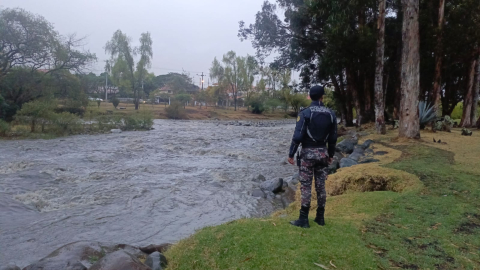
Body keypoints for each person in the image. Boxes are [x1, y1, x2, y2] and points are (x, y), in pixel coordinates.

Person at [287, 85, 337, 228]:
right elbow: (333, 137)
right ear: (323, 96)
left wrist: (291, 153)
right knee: (321, 187)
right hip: (323, 154)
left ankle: (303, 219)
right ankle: (320, 217)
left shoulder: (305, 113)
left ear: (310, 96)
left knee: (306, 186)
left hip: (307, 155)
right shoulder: (331, 114)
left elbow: (297, 136)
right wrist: (331, 155)